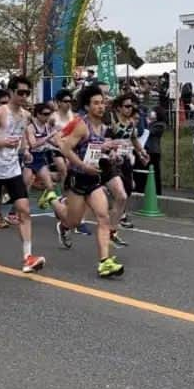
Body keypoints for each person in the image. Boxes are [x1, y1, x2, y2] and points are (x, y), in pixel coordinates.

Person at [53, 84, 124, 278]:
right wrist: (83, 166)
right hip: (78, 178)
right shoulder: (81, 125)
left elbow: (98, 149)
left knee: (103, 217)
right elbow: (66, 149)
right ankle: (58, 211)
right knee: (73, 221)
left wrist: (111, 153)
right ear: (87, 106)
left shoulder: (104, 126)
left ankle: (104, 262)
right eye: (96, 103)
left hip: (94, 179)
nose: (101, 107)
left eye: (102, 103)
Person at [0, 76, 46, 273]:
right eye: (21, 93)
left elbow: (22, 137)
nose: (24, 96)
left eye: (27, 93)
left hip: (13, 170)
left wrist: (25, 150)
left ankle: (27, 257)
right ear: (11, 92)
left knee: (24, 210)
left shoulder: (26, 116)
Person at [106, 94, 148, 241]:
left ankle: (116, 218)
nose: (130, 109)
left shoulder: (131, 123)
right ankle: (112, 226)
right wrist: (111, 151)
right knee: (120, 192)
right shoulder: (112, 120)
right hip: (111, 159)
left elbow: (134, 139)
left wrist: (142, 152)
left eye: (132, 107)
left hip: (126, 159)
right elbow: (106, 139)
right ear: (119, 107)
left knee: (129, 187)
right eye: (127, 106)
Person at [24, 103, 59, 210]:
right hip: (30, 158)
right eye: (45, 114)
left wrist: (62, 142)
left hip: (40, 158)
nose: (47, 117)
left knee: (50, 186)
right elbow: (33, 144)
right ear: (38, 114)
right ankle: (14, 212)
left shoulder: (47, 127)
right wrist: (49, 136)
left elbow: (55, 143)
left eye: (49, 114)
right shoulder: (31, 127)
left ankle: (45, 201)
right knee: (26, 186)